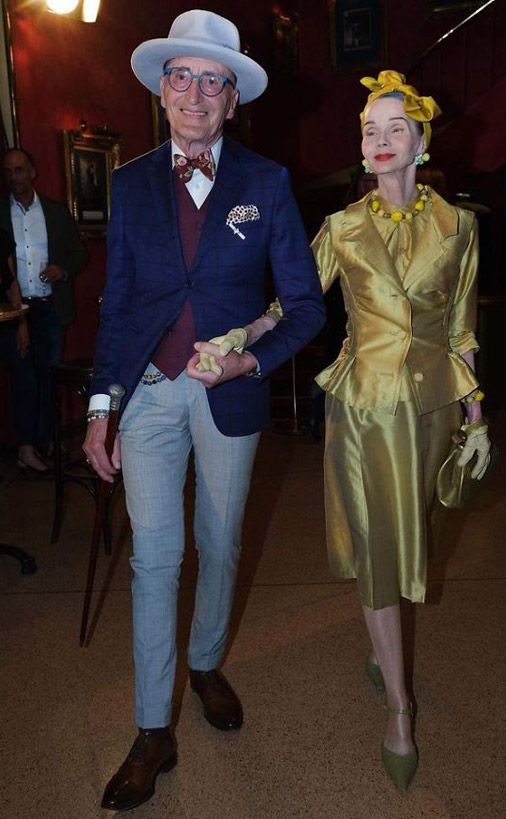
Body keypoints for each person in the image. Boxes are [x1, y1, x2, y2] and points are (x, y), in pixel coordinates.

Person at [83, 9, 324, 812]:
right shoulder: (128, 184)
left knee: (219, 546)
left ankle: (207, 660)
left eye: (211, 81)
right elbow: (118, 304)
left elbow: (305, 307)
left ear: (232, 99)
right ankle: (153, 728)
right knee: (155, 560)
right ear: (162, 90)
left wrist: (252, 358)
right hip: (148, 393)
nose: (194, 93)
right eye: (181, 77)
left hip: (231, 393)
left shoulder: (267, 183)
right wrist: (101, 405)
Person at [267, 70, 492, 793]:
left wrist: (476, 413)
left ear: (422, 143)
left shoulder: (460, 227)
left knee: (415, 538)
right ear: (362, 149)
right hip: (363, 410)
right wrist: (243, 337)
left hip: (430, 411)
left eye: (398, 128)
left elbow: (462, 331)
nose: (382, 140)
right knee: (377, 549)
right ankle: (399, 706)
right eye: (371, 130)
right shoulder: (341, 228)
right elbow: (295, 302)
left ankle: (381, 648)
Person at [1, 148, 87, 456]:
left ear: (32, 172)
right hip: (13, 312)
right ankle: (26, 447)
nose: (14, 177)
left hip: (50, 307)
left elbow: (79, 253)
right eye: (8, 171)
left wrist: (62, 270)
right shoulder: (1, 213)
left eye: (19, 169)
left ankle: (48, 442)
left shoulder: (54, 212)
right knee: (24, 379)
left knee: (49, 376)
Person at [0, 225, 49, 473]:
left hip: (6, 320)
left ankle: (26, 450)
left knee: (27, 379)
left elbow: (11, 282)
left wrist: (22, 324)